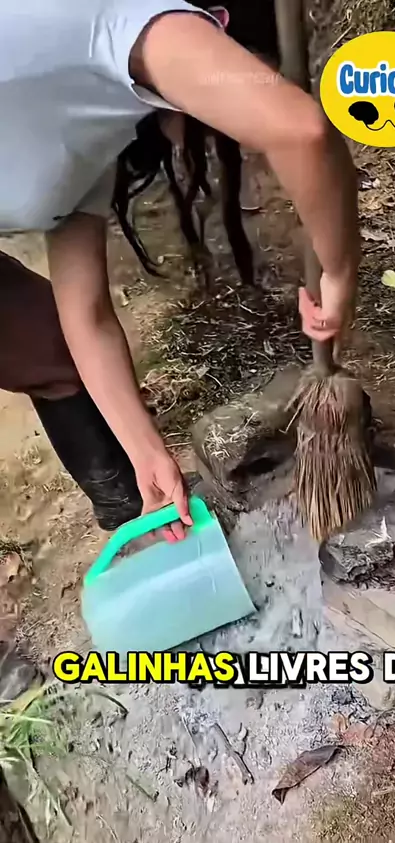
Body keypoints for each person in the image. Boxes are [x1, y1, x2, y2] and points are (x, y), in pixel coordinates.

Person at [0, 1, 360, 543]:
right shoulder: (120, 16)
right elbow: (301, 128)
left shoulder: (91, 138)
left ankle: (126, 501)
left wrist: (147, 452)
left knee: (49, 345)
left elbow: (87, 318)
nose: (233, 129)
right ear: (215, 28)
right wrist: (340, 273)